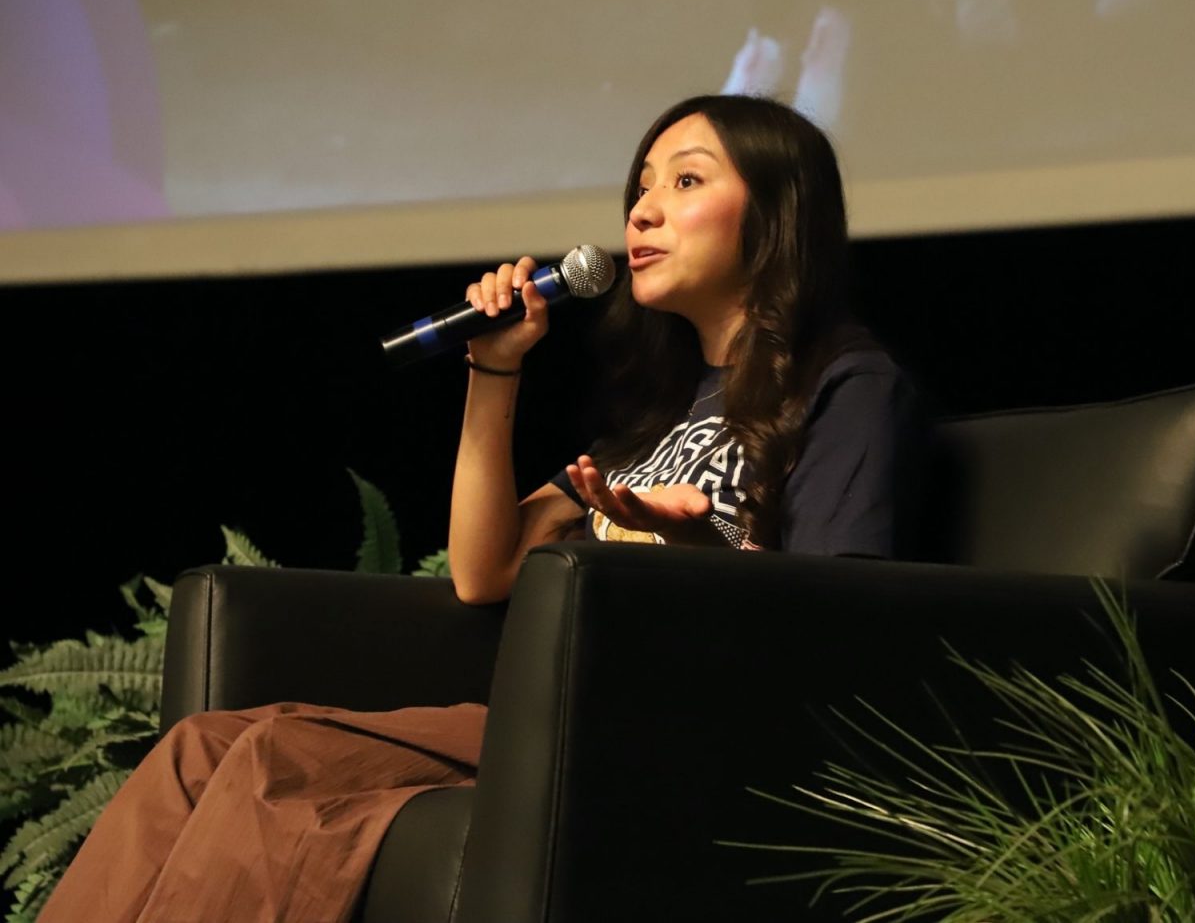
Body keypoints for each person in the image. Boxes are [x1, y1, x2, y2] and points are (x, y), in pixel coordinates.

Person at [37, 93, 923, 922]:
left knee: (269, 758)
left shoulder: (847, 385)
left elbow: (839, 633)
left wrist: (703, 555)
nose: (643, 213)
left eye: (686, 182)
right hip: (558, 715)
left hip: (668, 727)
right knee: (200, 751)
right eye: (641, 188)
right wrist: (494, 367)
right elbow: (483, 569)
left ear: (778, 212)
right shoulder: (665, 415)